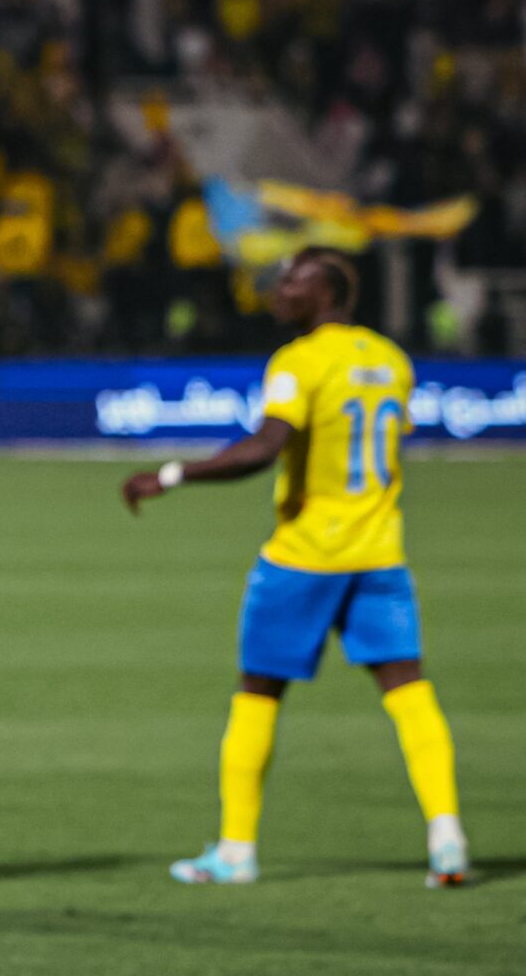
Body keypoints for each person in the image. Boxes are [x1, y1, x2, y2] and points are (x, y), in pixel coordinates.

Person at [123, 249, 466, 887]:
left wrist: (171, 475)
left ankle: (235, 851)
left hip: (305, 556)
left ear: (326, 292)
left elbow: (265, 447)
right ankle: (447, 838)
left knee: (257, 693)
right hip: (380, 553)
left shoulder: (301, 361)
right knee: (410, 693)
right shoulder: (391, 360)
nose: (280, 290)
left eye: (293, 281)